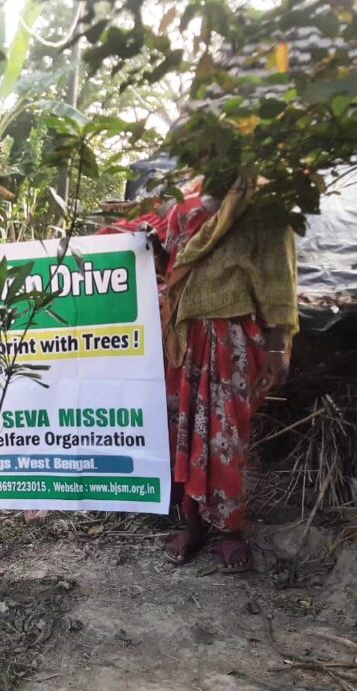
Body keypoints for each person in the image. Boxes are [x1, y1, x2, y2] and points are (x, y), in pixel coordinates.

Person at [102, 176, 298, 572]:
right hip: (183, 336)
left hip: (237, 337)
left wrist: (278, 347)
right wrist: (145, 253)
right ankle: (190, 523)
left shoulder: (265, 208)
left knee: (228, 439)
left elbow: (281, 278)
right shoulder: (184, 208)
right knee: (182, 430)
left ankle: (230, 530)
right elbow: (173, 270)